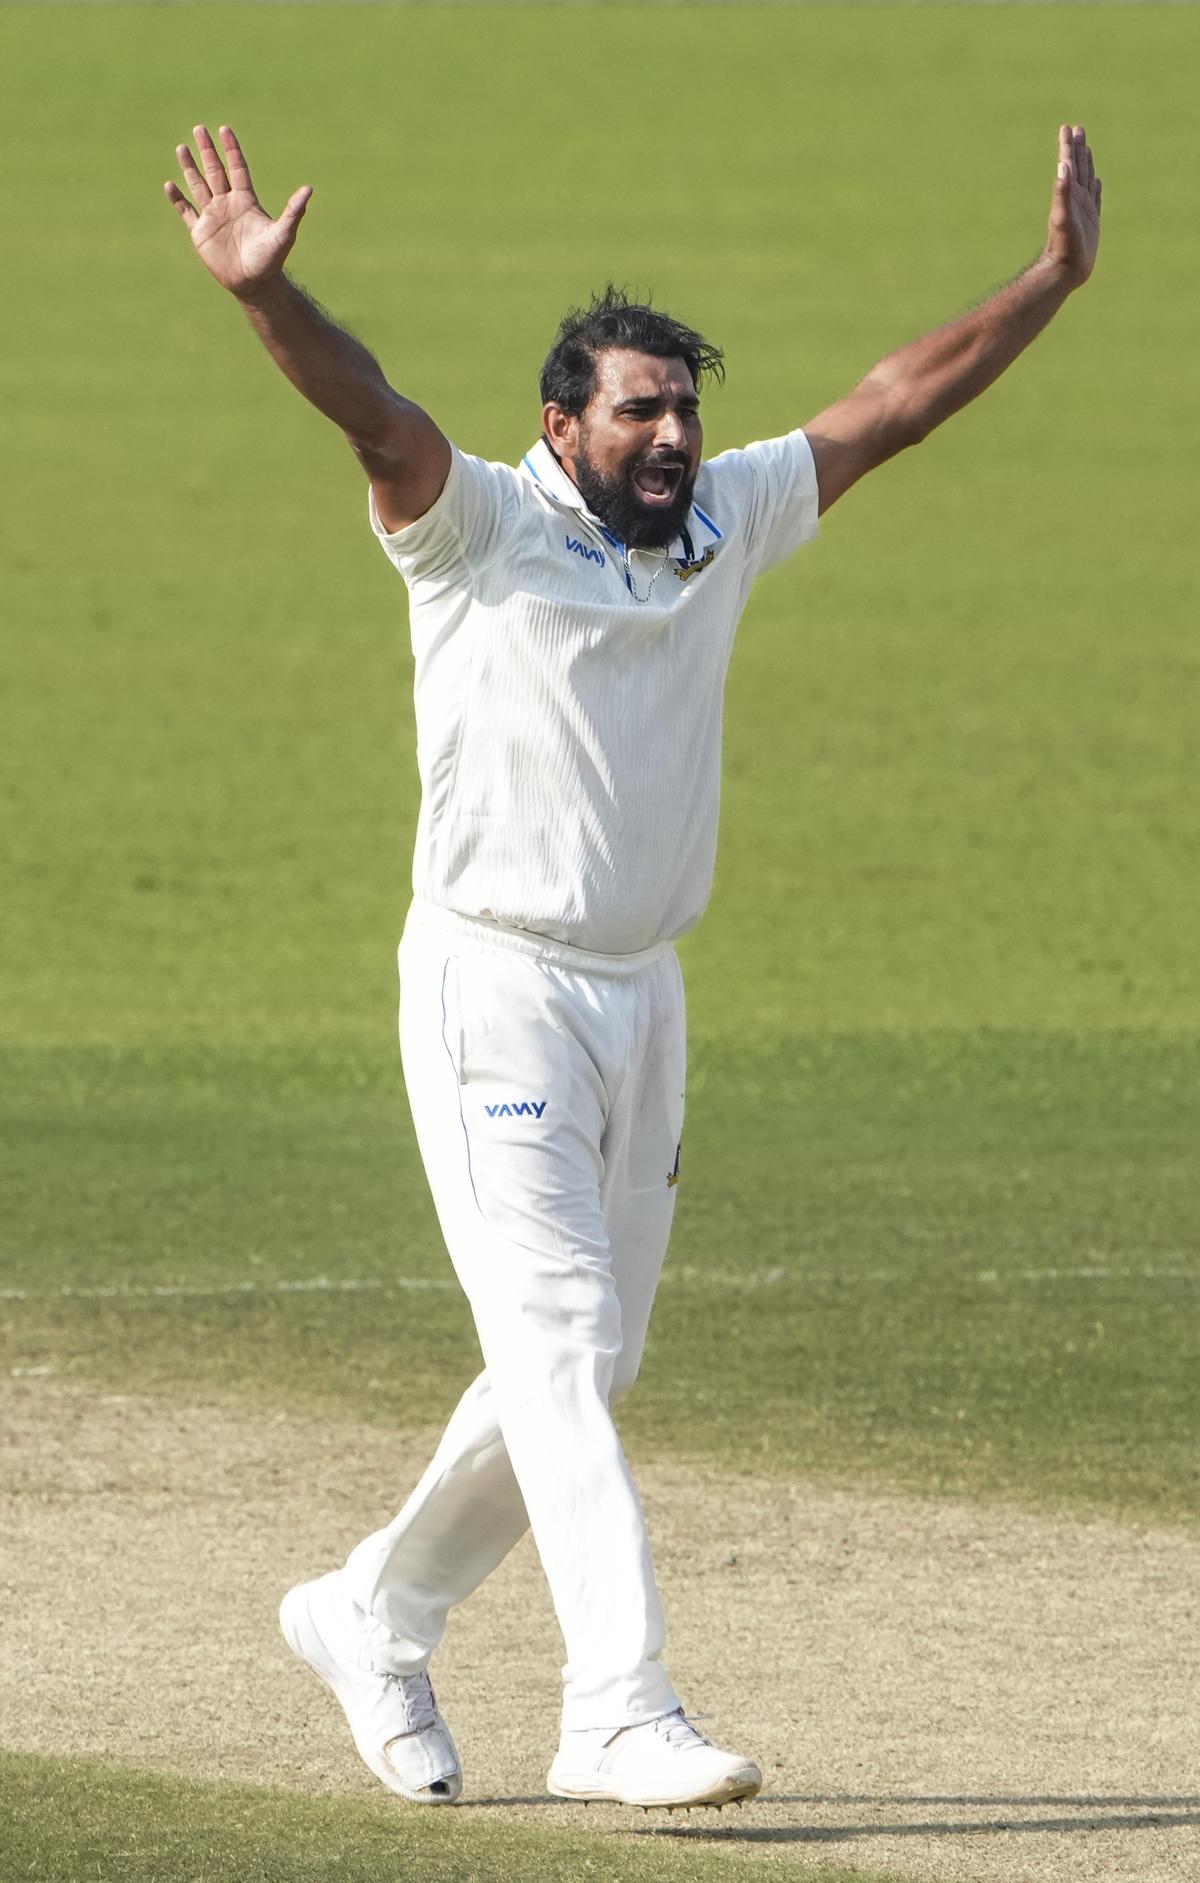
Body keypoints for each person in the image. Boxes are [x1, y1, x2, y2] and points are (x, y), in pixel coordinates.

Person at [165, 122, 1101, 1812]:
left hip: (645, 995)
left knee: (577, 1368)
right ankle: (617, 1707)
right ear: (560, 427)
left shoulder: (722, 516)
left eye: (682, 409)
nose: (671, 435)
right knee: (558, 1331)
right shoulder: (475, 531)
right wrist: (267, 297)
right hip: (493, 985)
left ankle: (371, 1612)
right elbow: (373, 411)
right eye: (635, 412)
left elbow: (892, 401)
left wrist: (1047, 282)